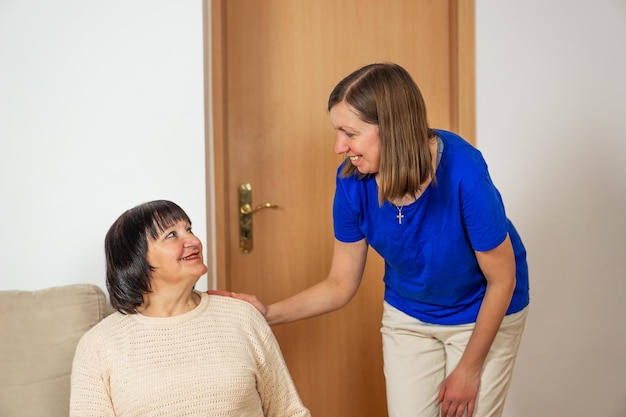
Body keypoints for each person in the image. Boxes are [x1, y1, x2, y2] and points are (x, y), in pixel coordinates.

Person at [226, 63, 530, 417]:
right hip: (410, 315)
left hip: (481, 311)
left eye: (349, 133)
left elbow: (502, 278)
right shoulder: (353, 183)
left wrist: (469, 369)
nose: (339, 146)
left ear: (392, 129)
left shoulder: (464, 172)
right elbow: (340, 284)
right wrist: (267, 314)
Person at [70, 200, 310, 417]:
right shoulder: (99, 345)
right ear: (136, 260)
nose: (193, 241)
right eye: (171, 235)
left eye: (189, 229)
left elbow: (288, 411)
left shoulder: (242, 316)